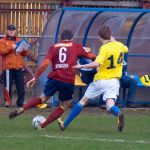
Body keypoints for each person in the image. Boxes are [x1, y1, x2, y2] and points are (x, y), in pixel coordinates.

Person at [9, 30, 96, 129]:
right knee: (65, 104)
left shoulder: (54, 47)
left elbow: (45, 64)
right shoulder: (76, 46)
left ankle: (22, 108)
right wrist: (95, 58)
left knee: (42, 98)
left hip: (54, 77)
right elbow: (90, 56)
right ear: (71, 39)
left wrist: (35, 77)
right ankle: (43, 125)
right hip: (67, 79)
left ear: (61, 38)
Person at [58, 25, 128, 132]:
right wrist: (113, 40)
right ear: (110, 35)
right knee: (110, 105)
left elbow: (96, 63)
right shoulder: (120, 45)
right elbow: (125, 49)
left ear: (100, 36)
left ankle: (65, 124)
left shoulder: (104, 48)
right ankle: (118, 113)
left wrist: (82, 66)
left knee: (83, 101)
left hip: (102, 80)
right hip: (114, 81)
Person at [0, 24, 31, 107]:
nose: (11, 31)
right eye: (10, 30)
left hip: (19, 66)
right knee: (8, 86)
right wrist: (11, 47)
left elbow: (24, 54)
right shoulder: (2, 41)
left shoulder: (18, 40)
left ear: (15, 31)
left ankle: (20, 103)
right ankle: (8, 102)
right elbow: (2, 51)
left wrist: (25, 49)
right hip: (8, 67)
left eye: (13, 30)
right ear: (7, 31)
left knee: (21, 86)